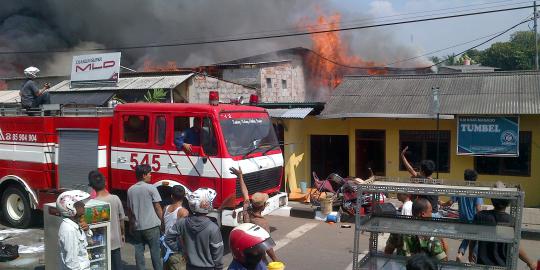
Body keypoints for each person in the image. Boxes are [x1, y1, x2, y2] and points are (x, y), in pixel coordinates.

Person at [470, 183, 537, 269]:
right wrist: (530, 262)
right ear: (509, 201)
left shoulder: (480, 216)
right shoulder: (511, 221)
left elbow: (472, 239)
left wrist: (470, 252)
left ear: (492, 199)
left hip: (482, 266)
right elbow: (516, 247)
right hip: (502, 266)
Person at [165, 188, 224, 270]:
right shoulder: (213, 228)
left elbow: (168, 238)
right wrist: (219, 268)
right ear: (206, 205)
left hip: (190, 266)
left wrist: (182, 250)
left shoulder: (182, 223)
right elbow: (217, 253)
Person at [230, 167, 278, 262]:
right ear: (263, 206)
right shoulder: (262, 223)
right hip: (257, 258)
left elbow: (245, 193)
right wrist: (275, 260)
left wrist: (240, 176)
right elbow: (267, 246)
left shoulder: (247, 209)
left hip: (245, 254)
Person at [440, 169, 483, 262]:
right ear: (475, 179)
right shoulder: (477, 191)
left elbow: (451, 202)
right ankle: (472, 259)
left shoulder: (460, 189)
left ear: (464, 178)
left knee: (467, 238)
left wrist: (443, 204)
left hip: (462, 219)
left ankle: (460, 253)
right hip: (473, 220)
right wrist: (484, 216)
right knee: (474, 241)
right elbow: (478, 208)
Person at [127, 164, 164, 270]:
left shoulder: (130, 190)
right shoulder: (151, 188)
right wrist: (163, 222)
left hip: (138, 227)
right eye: (149, 173)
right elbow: (158, 208)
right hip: (152, 226)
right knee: (155, 253)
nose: (151, 175)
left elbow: (129, 211)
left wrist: (131, 224)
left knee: (139, 252)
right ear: (144, 175)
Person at [88, 170, 126, 270]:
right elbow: (121, 220)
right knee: (118, 265)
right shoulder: (115, 198)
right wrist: (122, 234)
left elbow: (92, 228)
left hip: (101, 242)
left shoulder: (92, 203)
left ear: (92, 187)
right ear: (105, 183)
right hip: (115, 240)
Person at [56, 190, 92, 270]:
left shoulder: (75, 224)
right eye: (79, 204)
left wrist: (87, 230)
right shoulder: (69, 230)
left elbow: (89, 242)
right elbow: (71, 262)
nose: (83, 206)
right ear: (70, 207)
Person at [400, 146, 440, 217]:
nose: (418, 171)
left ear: (423, 171)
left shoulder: (423, 180)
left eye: (420, 169)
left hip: (428, 214)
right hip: (436, 213)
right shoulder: (434, 181)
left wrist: (402, 156)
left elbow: (410, 169)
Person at [163, 186, 190, 270]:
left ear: (171, 196)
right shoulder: (183, 212)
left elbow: (162, 227)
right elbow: (183, 234)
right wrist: (185, 251)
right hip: (176, 251)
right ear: (184, 196)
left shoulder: (165, 208)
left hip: (165, 247)